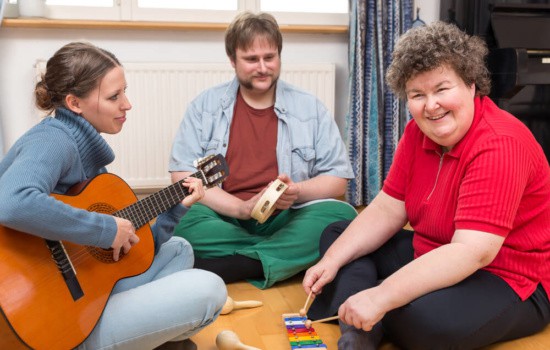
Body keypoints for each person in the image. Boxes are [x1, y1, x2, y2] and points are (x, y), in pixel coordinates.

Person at [303, 21, 550, 350]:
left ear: (471, 84)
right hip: (434, 251)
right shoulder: (416, 133)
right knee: (336, 237)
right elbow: (389, 208)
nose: (430, 105)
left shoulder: (500, 143)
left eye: (441, 89)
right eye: (418, 94)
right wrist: (331, 262)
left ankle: (359, 313)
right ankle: (363, 316)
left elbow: (472, 252)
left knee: (424, 322)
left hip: (509, 277)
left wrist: (382, 294)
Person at [0, 42, 227, 350]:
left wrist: (174, 210)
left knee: (179, 250)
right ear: (74, 103)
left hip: (82, 293)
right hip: (54, 324)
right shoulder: (53, 140)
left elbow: (130, 254)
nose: (128, 104)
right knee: (210, 289)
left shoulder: (90, 159)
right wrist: (104, 229)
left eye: (124, 92)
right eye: (114, 96)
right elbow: (12, 202)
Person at [168, 11, 357, 289]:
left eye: (270, 57)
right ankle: (281, 258)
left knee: (344, 217)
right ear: (233, 60)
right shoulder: (205, 106)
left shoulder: (309, 107)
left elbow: (337, 179)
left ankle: (239, 263)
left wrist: (297, 192)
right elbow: (183, 175)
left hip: (284, 218)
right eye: (251, 59)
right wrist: (242, 208)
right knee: (177, 217)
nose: (263, 67)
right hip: (224, 215)